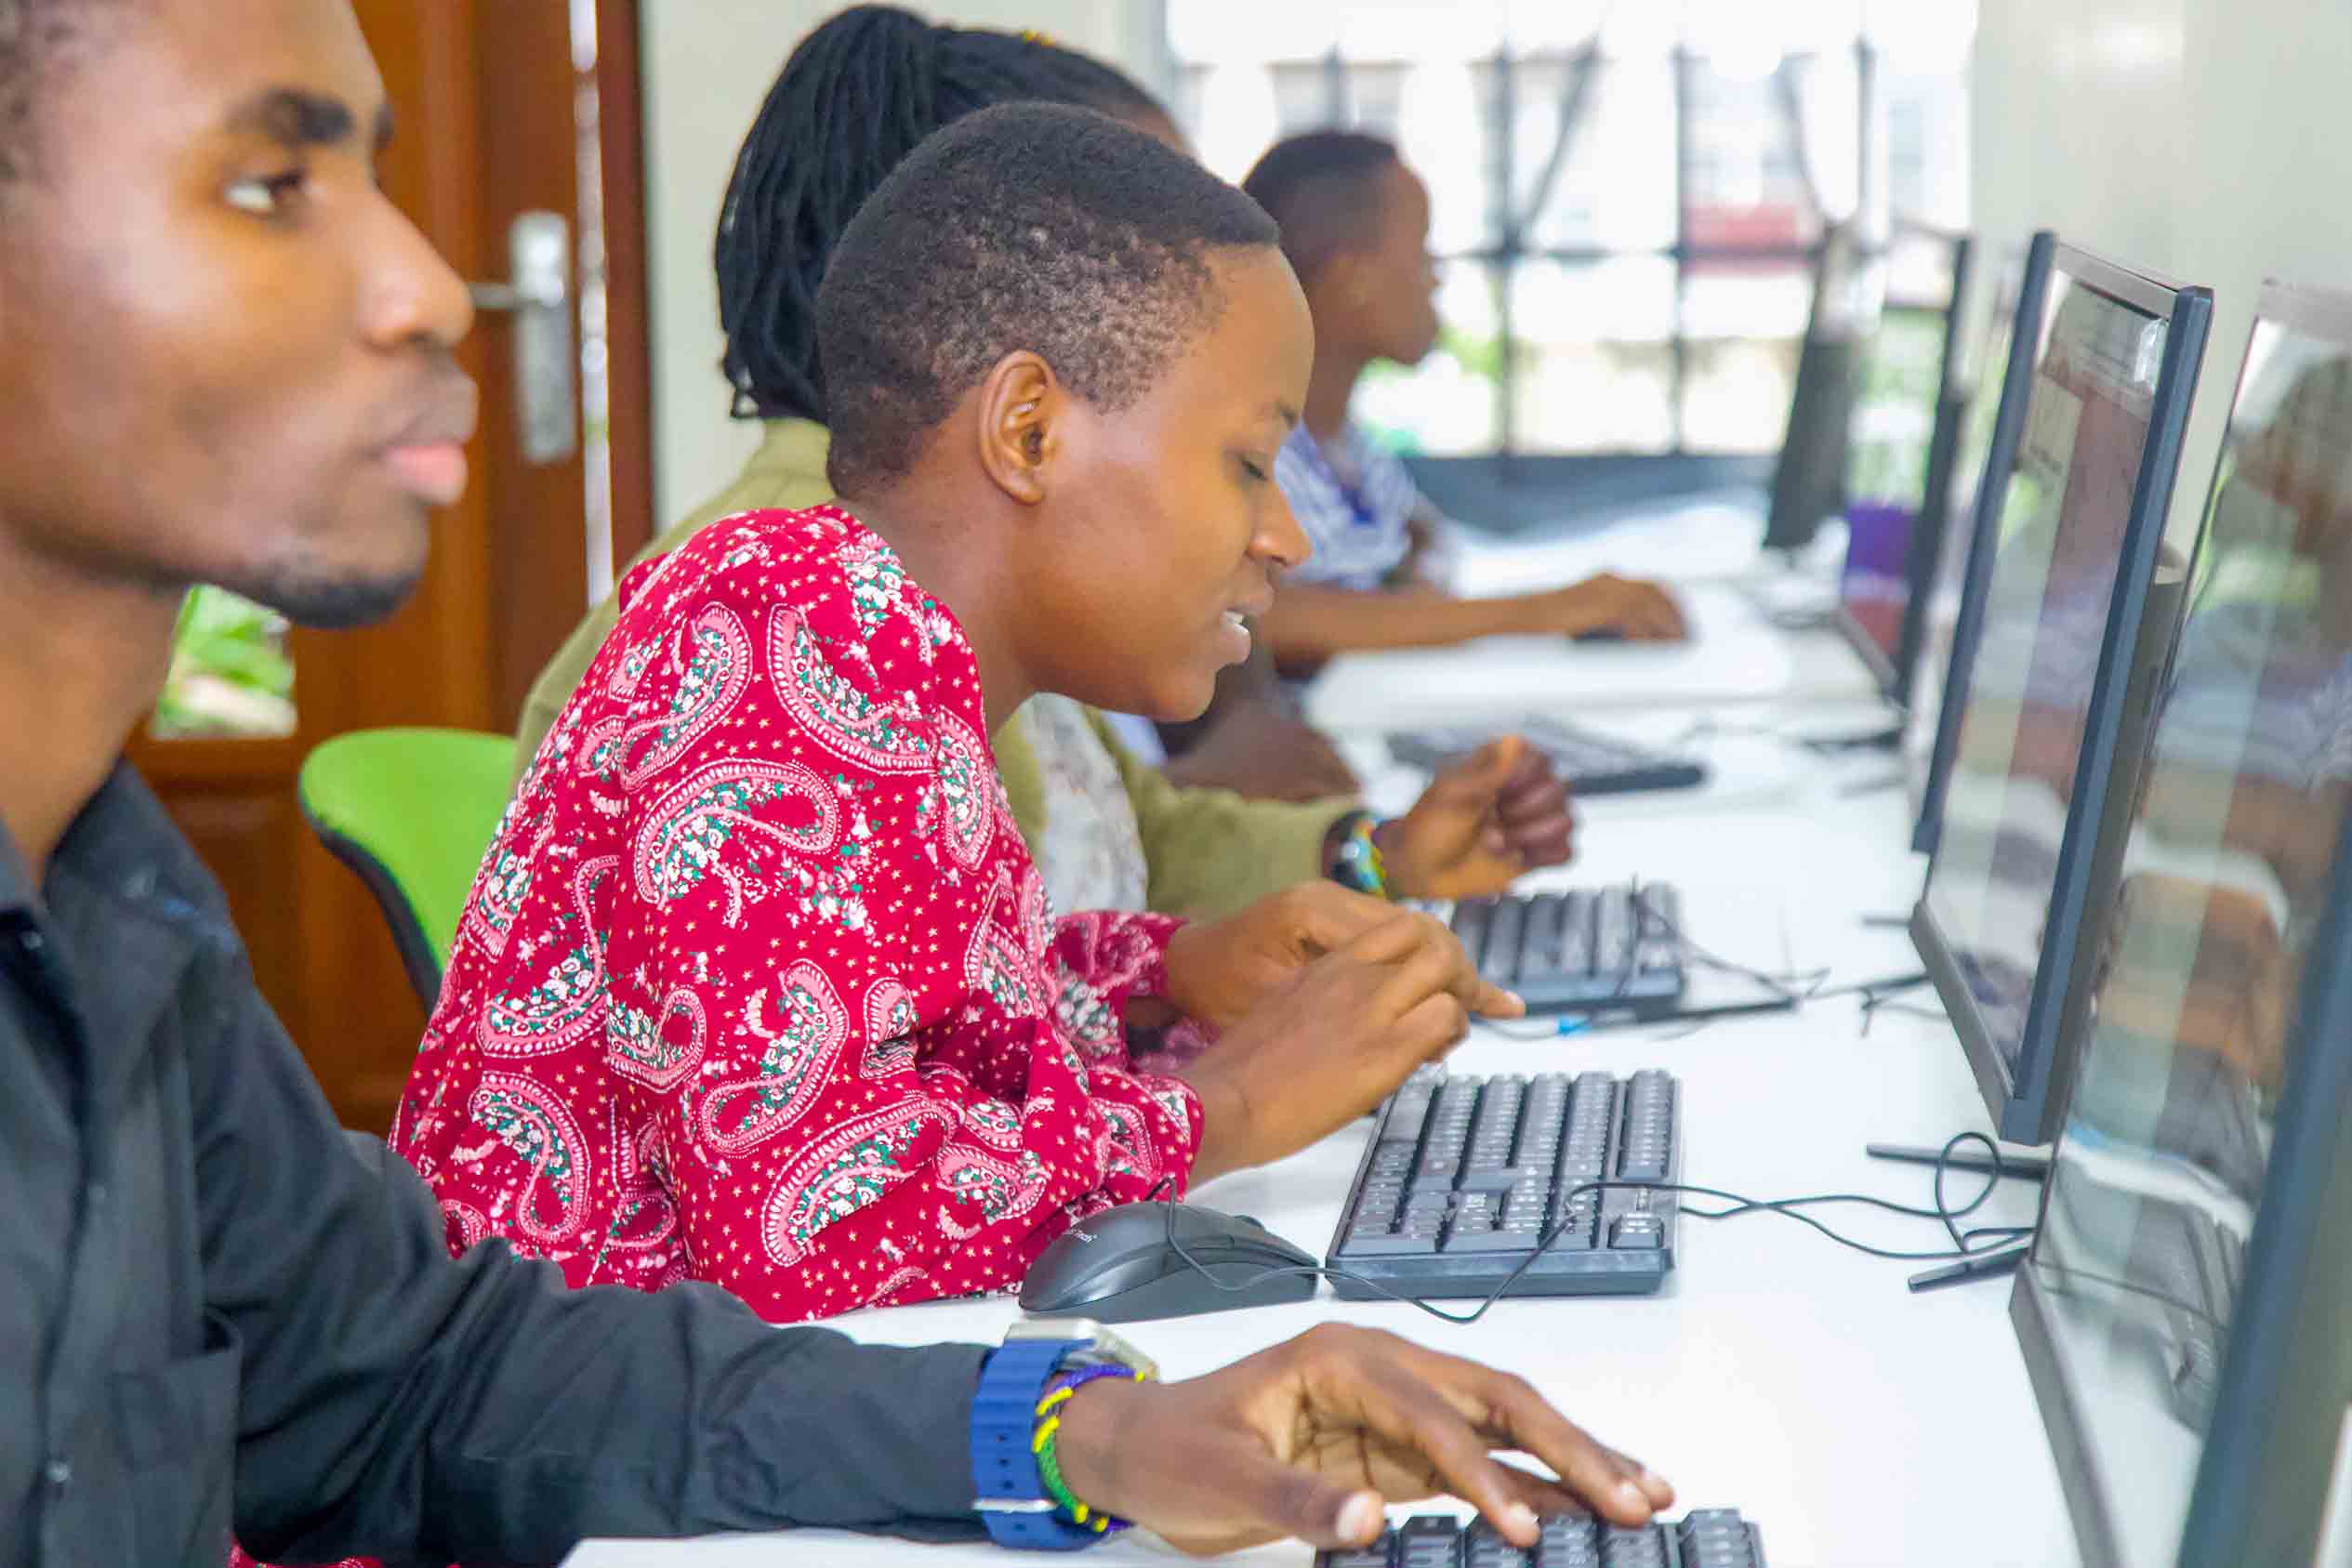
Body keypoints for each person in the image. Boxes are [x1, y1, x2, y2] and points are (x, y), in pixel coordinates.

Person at [0, 2, 1685, 1561]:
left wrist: (1091, 1390)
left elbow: (432, 1374)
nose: (438, 287)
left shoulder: (117, 907)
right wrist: (1215, 1114)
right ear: (1026, 430)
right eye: (273, 183)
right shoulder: (794, 624)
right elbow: (801, 1202)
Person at [512, 8, 1576, 923]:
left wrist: (1374, 858)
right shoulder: (800, 629)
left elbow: (1129, 847)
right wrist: (1233, 1083)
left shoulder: (976, 561)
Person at [1236, 130, 1689, 672]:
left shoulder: (1347, 446)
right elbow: (1262, 618)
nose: (1436, 279)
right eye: (1423, 252)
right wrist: (1538, 612)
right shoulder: (1255, 447)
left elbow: (1424, 537)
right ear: (1351, 278)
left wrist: (1416, 591)